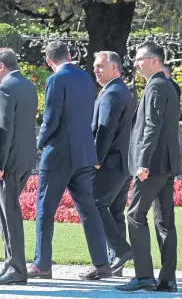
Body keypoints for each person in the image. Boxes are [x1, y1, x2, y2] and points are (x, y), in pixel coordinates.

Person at [28, 41, 111, 280]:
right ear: (70, 55)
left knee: (45, 209)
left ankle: (42, 264)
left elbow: (51, 118)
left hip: (59, 153)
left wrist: (39, 142)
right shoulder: (86, 78)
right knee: (88, 210)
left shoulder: (55, 80)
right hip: (84, 153)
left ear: (48, 61)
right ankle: (102, 263)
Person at [115, 41, 180, 292]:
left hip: (152, 165)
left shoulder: (155, 86)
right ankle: (167, 279)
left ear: (155, 61)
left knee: (134, 215)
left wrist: (142, 162)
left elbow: (151, 127)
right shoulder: (167, 85)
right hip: (165, 164)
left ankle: (143, 276)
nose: (136, 63)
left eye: (140, 59)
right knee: (164, 221)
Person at [92, 51, 135, 276]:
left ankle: (120, 250)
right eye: (95, 66)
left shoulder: (111, 93)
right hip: (123, 162)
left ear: (115, 69)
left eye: (100, 66)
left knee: (96, 204)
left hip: (110, 162)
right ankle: (115, 264)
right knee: (115, 210)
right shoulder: (120, 90)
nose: (95, 69)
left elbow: (104, 131)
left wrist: (96, 160)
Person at [0, 48, 37, 285]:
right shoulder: (27, 85)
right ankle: (10, 262)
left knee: (9, 213)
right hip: (25, 158)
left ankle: (16, 268)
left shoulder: (5, 87)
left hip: (10, 160)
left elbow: (5, 129)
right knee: (6, 212)